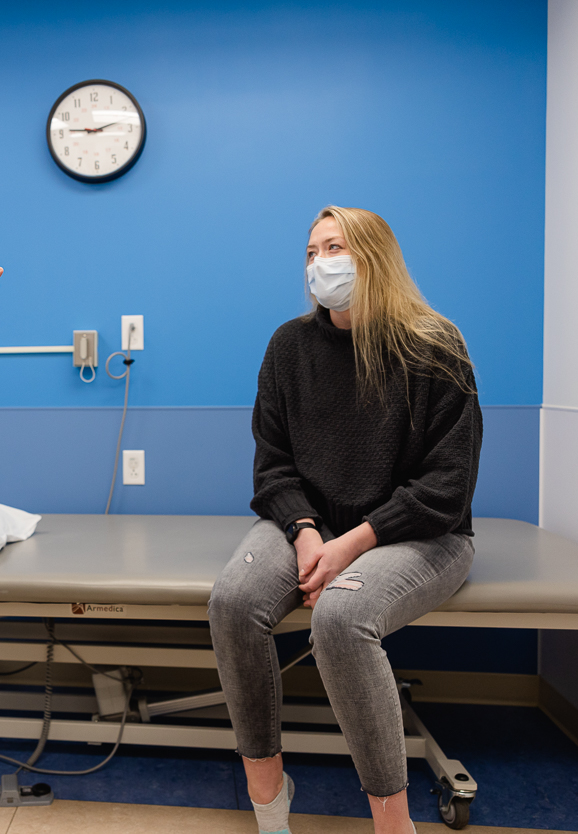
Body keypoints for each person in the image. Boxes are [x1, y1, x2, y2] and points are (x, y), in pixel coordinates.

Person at [208, 206, 482, 834]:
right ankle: (268, 793)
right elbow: (272, 468)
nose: (319, 263)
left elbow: (447, 486)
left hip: (423, 533)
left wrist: (350, 546)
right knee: (232, 600)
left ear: (374, 257)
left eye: (334, 247)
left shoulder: (434, 345)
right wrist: (306, 532)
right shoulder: (289, 346)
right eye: (310, 251)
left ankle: (392, 820)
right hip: (315, 526)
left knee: (341, 616)